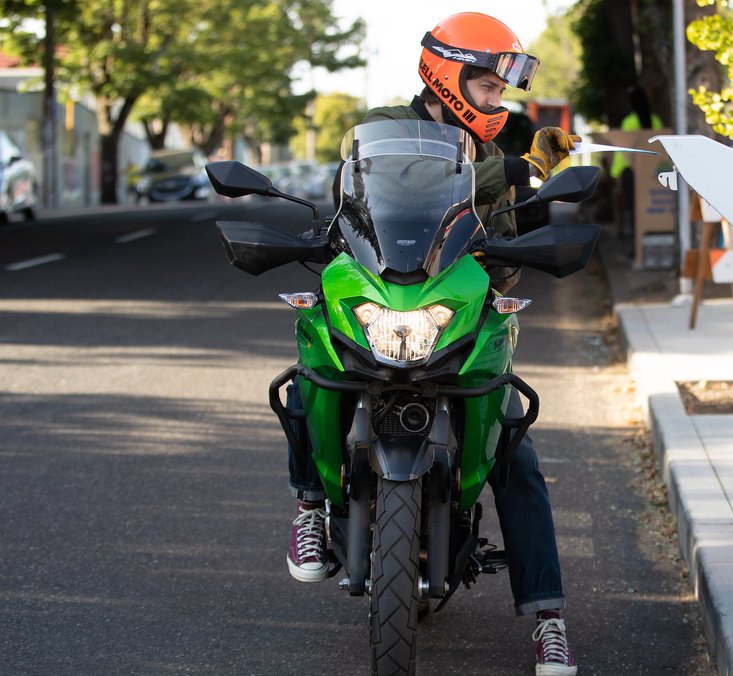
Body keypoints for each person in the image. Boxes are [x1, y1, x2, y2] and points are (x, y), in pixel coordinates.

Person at [284, 12, 580, 676]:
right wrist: (509, 165)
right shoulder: (384, 130)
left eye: (506, 88)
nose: (501, 100)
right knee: (313, 363)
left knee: (516, 451)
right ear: (450, 76)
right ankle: (309, 502)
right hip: (387, 297)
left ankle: (549, 618)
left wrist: (538, 174)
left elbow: (520, 226)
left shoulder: (508, 145)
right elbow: (400, 189)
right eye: (490, 85)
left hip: (468, 312)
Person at [610, 85, 662, 237]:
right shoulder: (656, 121)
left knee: (634, 209)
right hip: (652, 172)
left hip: (631, 174)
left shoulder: (629, 122)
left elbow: (623, 151)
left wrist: (615, 172)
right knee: (649, 207)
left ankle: (637, 242)